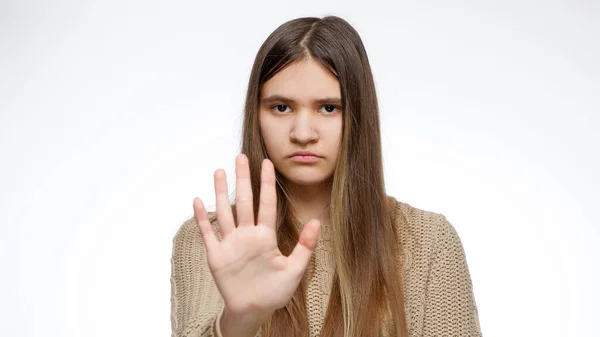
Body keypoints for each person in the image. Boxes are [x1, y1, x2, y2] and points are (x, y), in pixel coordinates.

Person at [170, 15, 482, 337]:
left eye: (329, 108)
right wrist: (239, 321)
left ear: (359, 114)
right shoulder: (210, 239)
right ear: (256, 114)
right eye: (281, 107)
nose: (303, 133)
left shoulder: (428, 241)